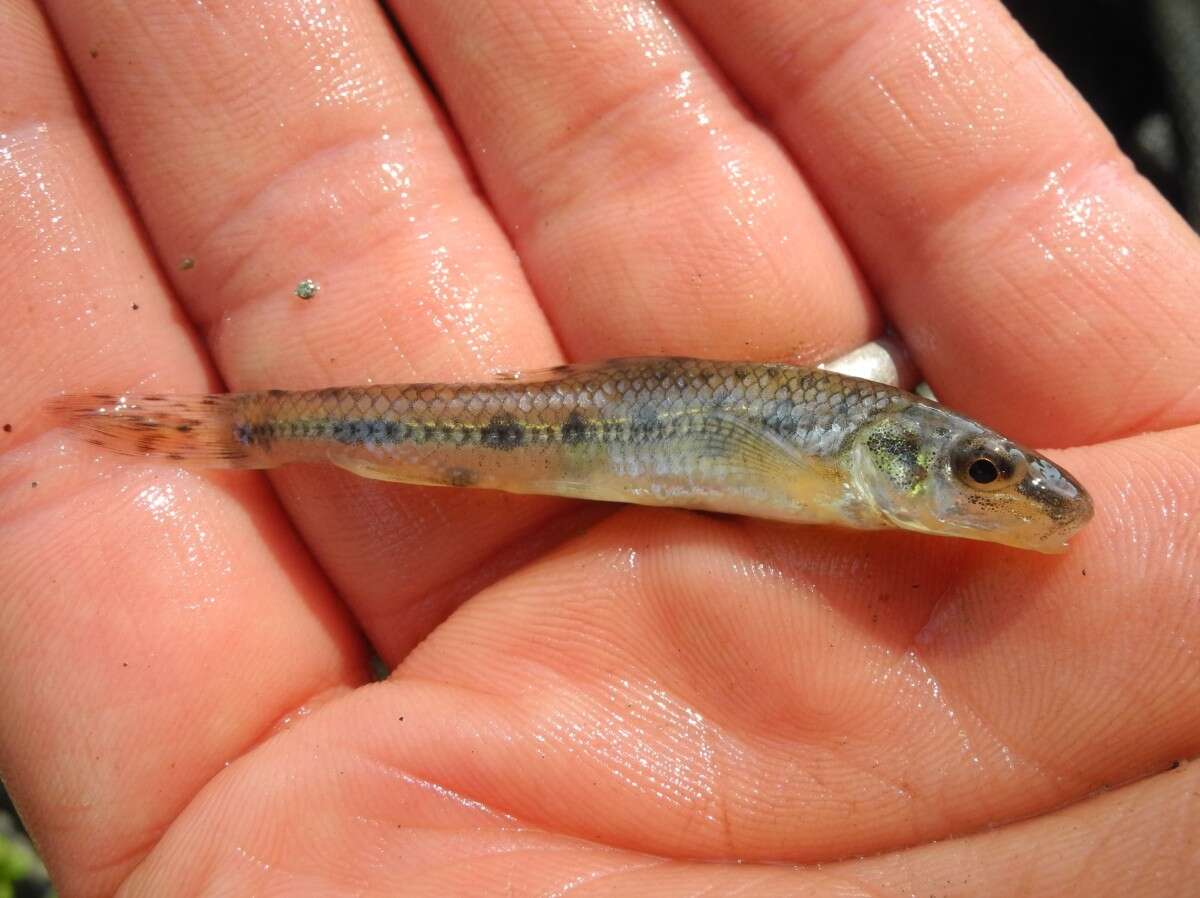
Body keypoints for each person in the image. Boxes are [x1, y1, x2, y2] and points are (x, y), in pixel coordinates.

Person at [1, 1, 1196, 894]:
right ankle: (242, 430)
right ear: (890, 454)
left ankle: (236, 430)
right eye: (977, 471)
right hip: (550, 432)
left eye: (983, 471)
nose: (997, 487)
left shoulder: (864, 470)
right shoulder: (846, 461)